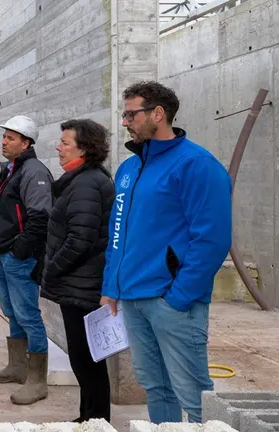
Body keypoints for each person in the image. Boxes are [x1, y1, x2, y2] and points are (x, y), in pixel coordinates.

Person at [100, 81, 232, 423]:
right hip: (132, 298)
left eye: (132, 114)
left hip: (172, 301)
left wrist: (180, 296)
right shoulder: (129, 169)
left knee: (193, 391)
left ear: (158, 114)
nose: (125, 121)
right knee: (156, 387)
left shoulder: (196, 165)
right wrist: (111, 287)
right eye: (124, 113)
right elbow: (118, 233)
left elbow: (213, 239)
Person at [40, 119, 115, 422]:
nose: (58, 147)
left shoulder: (87, 184)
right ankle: (89, 419)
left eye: (65, 142)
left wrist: (52, 269)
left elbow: (80, 240)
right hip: (79, 282)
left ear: (85, 148)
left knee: (87, 360)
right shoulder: (82, 180)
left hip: (82, 285)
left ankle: (96, 421)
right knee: (85, 359)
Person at [0, 115, 53, 405]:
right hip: (5, 252)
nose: (4, 141)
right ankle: (19, 367)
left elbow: (40, 218)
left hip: (19, 257)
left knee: (27, 314)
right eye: (4, 136)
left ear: (26, 143)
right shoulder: (11, 170)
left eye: (10, 138)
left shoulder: (33, 171)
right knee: (11, 309)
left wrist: (19, 250)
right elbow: (14, 211)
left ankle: (37, 380)